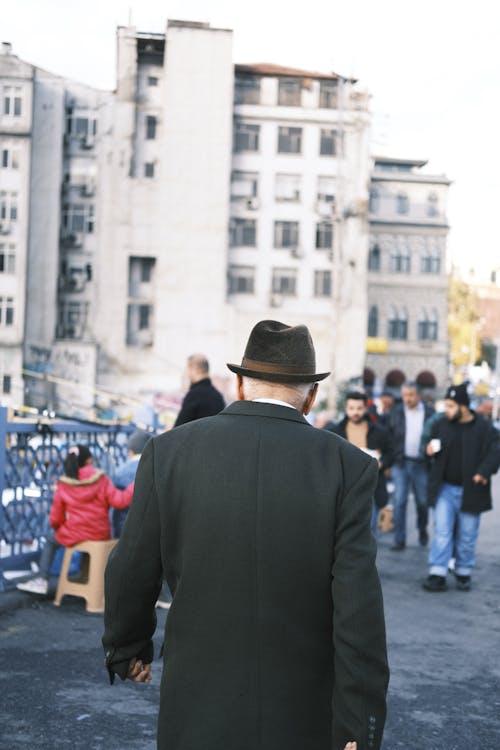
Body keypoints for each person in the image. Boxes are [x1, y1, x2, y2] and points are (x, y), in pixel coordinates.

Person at [102, 319, 389, 750]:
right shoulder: (349, 466)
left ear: (239, 385)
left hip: (197, 698)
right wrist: (358, 723)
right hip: (302, 707)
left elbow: (131, 568)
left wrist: (127, 647)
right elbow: (358, 608)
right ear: (310, 397)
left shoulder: (168, 452)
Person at [17, 444, 134, 596]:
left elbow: (55, 517)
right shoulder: (101, 479)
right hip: (100, 533)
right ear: (90, 460)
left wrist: (59, 529)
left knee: (51, 541)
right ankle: (91, 581)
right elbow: (119, 501)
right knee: (85, 543)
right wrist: (134, 486)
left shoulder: (64, 483)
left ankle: (42, 580)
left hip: (74, 533)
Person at [422, 383, 500, 592]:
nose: (446, 410)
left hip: (472, 489)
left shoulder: (485, 428)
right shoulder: (442, 425)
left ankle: (463, 571)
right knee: (442, 531)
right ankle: (437, 572)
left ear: (463, 406)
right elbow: (429, 445)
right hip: (444, 489)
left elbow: (496, 452)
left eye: (450, 406)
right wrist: (429, 450)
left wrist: (484, 471)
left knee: (467, 534)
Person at [325, 391, 392, 533]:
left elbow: (390, 452)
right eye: (351, 408)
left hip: (371, 486)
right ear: (346, 408)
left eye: (359, 408)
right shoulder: (335, 431)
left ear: (365, 408)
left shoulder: (379, 431)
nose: (355, 412)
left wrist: (382, 462)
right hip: (344, 487)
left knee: (370, 530)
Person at [386, 381, 434, 550]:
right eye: (405, 395)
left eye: (411, 395)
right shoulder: (396, 412)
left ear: (418, 395)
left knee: (423, 501)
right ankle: (400, 539)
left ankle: (422, 528)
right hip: (401, 462)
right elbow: (389, 437)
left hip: (422, 463)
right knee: (399, 501)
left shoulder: (429, 412)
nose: (407, 399)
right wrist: (388, 462)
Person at [111, 429, 151, 538]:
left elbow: (116, 505)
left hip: (126, 528)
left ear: (130, 452)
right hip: (153, 526)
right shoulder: (158, 467)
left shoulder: (121, 471)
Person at [173, 353, 225, 426]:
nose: (187, 373)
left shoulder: (193, 396)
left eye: (187, 369)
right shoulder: (218, 396)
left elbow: (178, 428)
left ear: (195, 369)